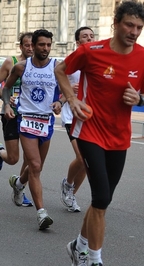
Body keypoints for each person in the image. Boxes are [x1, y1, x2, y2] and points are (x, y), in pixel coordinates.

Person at [54, 1, 144, 265]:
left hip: (119, 137)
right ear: (115, 23)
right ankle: (95, 259)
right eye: (129, 25)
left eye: (139, 26)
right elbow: (60, 70)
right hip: (90, 131)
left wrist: (139, 99)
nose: (134, 31)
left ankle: (77, 245)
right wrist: (71, 98)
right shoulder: (92, 51)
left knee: (104, 200)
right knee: (100, 197)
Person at [3, 29, 61, 229]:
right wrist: (7, 105)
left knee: (37, 167)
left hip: (46, 121)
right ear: (33, 45)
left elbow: (64, 92)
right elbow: (6, 87)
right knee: (35, 166)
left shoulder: (57, 67)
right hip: (26, 120)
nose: (45, 48)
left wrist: (60, 102)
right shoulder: (21, 67)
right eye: (41, 45)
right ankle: (41, 213)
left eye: (48, 45)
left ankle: (18, 184)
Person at [60, 26, 95, 213]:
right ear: (78, 42)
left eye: (92, 36)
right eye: (85, 36)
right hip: (71, 115)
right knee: (81, 158)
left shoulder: (99, 61)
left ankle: (71, 192)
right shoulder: (72, 60)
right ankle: (67, 184)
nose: (89, 38)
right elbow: (59, 80)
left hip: (91, 116)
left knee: (87, 161)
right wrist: (69, 89)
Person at [0, 32, 34, 207]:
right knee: (13, 158)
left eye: (32, 45)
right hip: (11, 114)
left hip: (30, 116)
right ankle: (0, 152)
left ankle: (20, 189)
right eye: (26, 45)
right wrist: (7, 101)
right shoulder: (10, 62)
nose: (30, 48)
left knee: (32, 158)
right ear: (21, 46)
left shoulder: (39, 66)